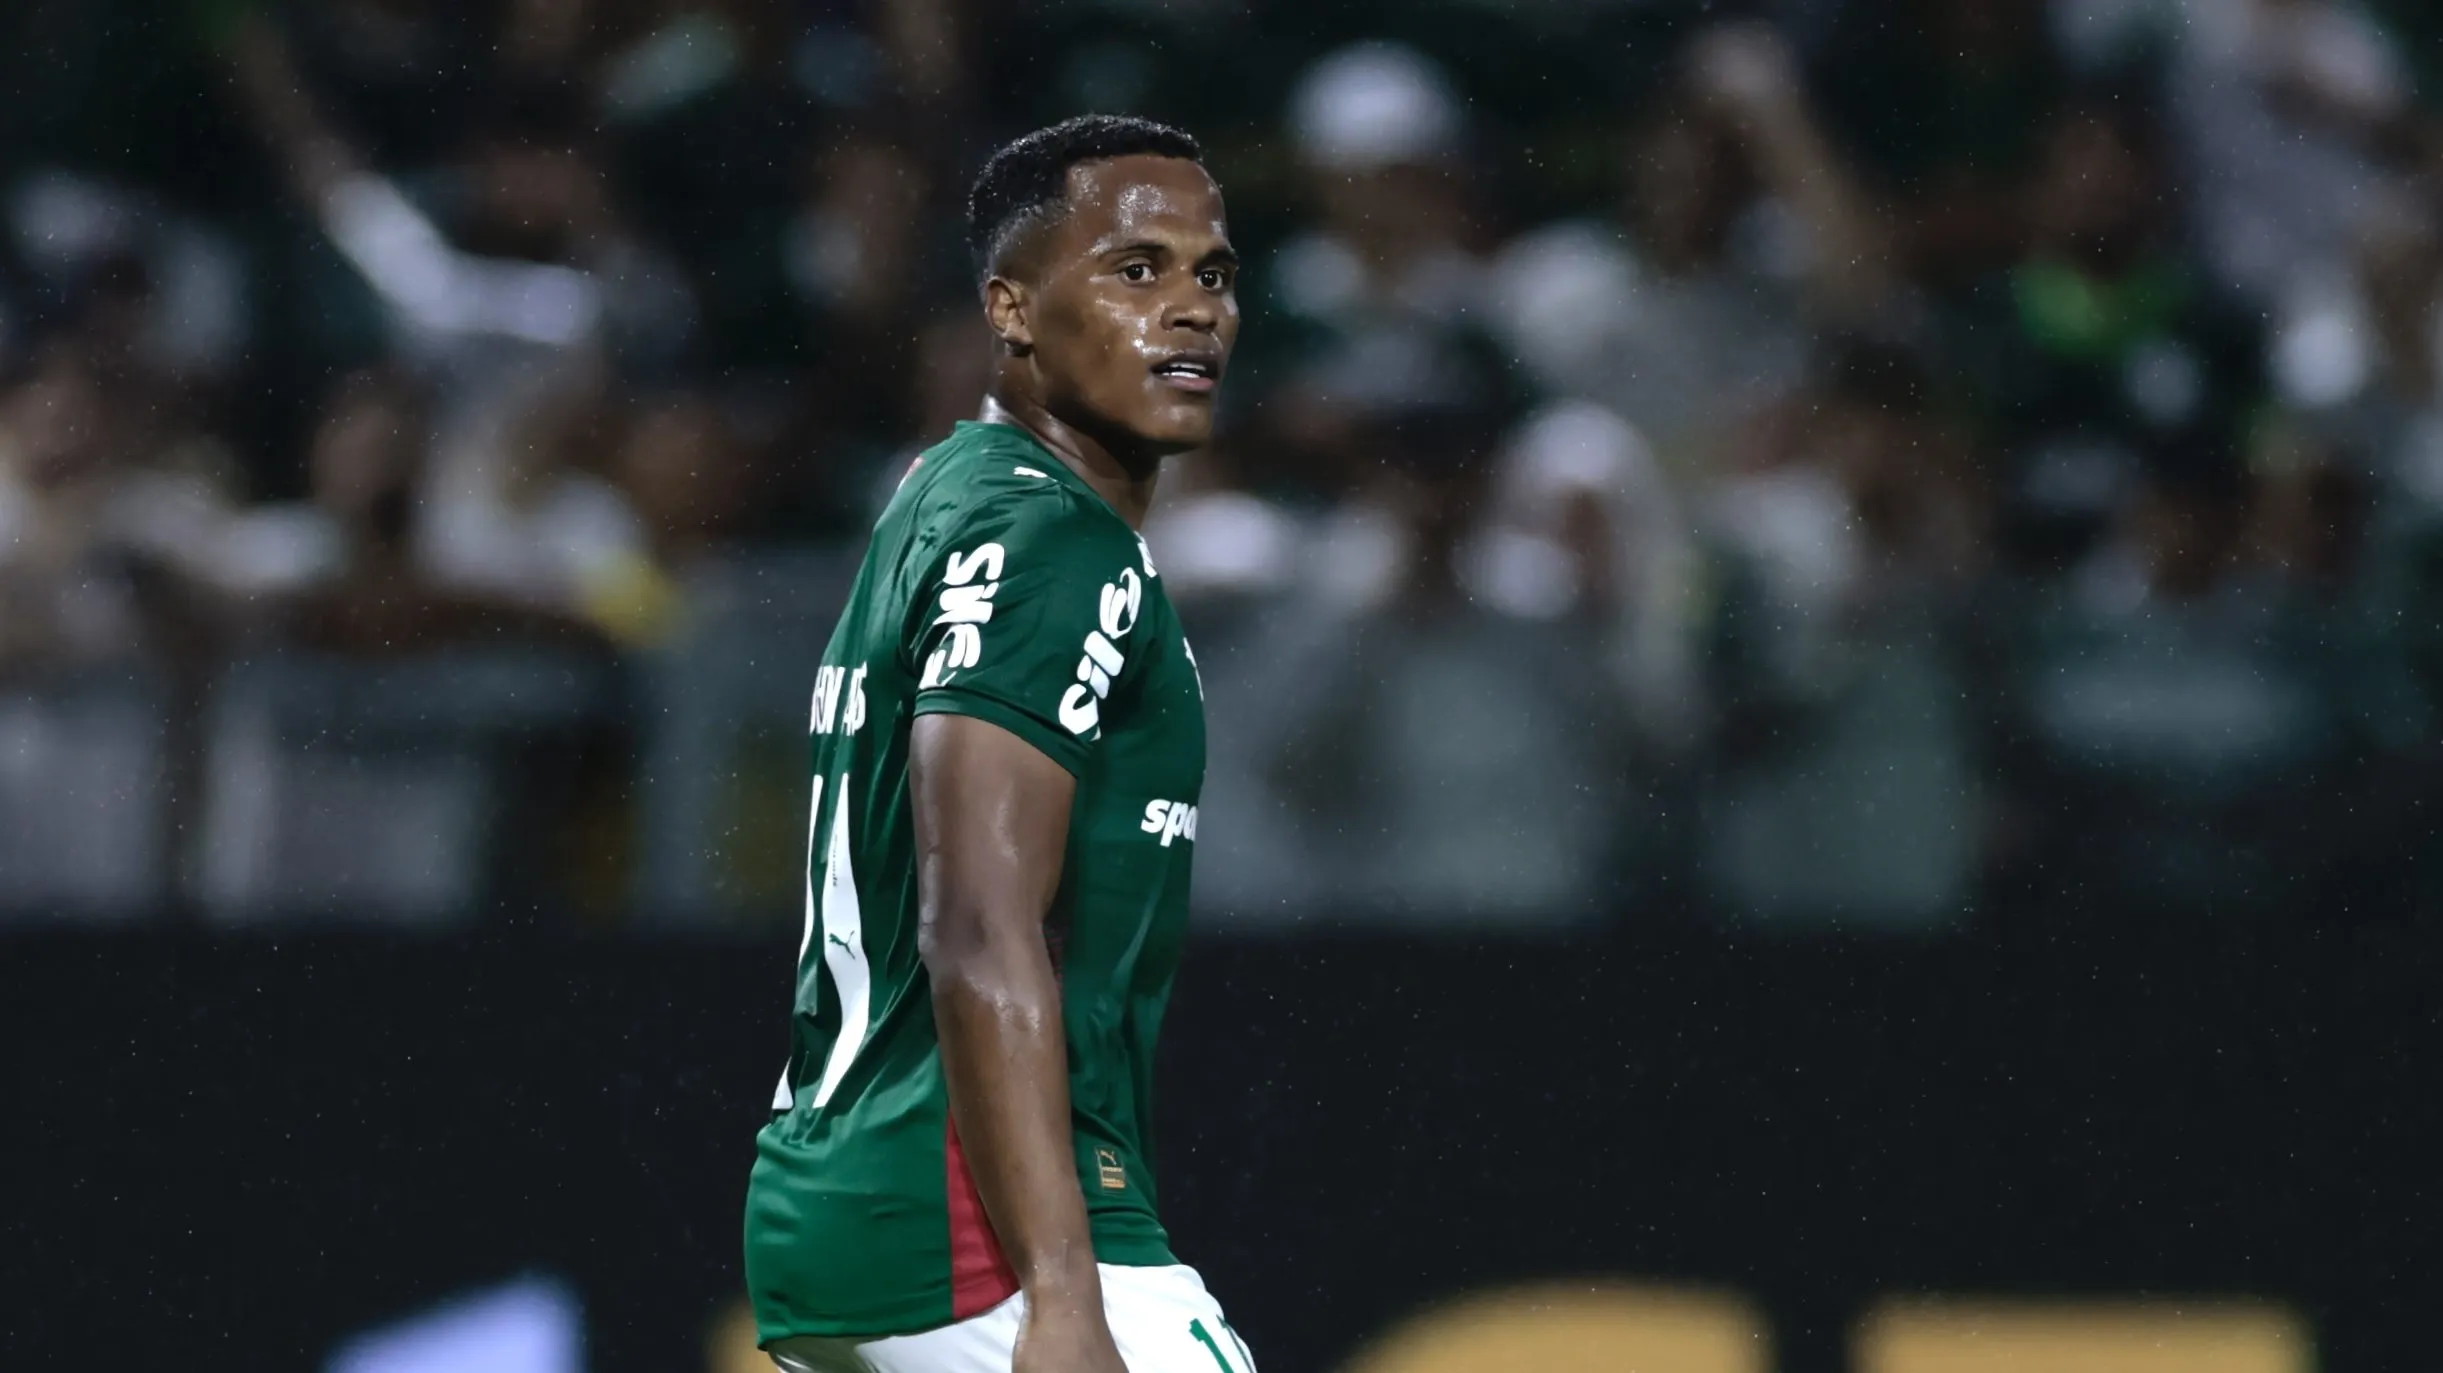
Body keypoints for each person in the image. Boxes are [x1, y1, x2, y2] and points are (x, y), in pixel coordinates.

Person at [742, 115, 1253, 1373]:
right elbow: (976, 913)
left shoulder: (946, 494)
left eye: (1212, 273)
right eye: (1135, 270)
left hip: (854, 1192)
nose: (1190, 309)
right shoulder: (1053, 550)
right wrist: (1063, 1295)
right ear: (1012, 311)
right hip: (979, 1231)